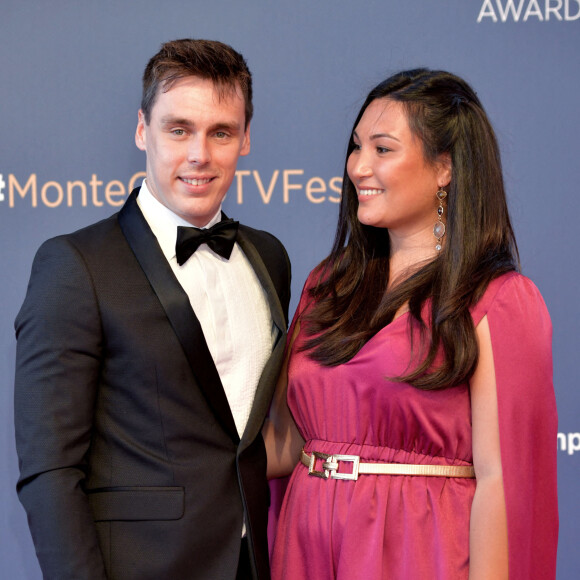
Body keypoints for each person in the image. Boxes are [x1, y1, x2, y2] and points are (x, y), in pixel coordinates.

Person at [264, 69, 558, 579]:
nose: (357, 167)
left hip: (417, 550)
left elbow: (502, 484)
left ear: (444, 167)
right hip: (307, 550)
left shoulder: (498, 300)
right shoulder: (326, 285)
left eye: (382, 149)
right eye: (356, 148)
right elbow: (286, 446)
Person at [14, 38, 290, 580]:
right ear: (143, 129)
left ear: (246, 139)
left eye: (221, 132)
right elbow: (50, 470)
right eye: (178, 129)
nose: (199, 155)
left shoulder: (268, 257)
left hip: (253, 560)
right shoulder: (76, 265)